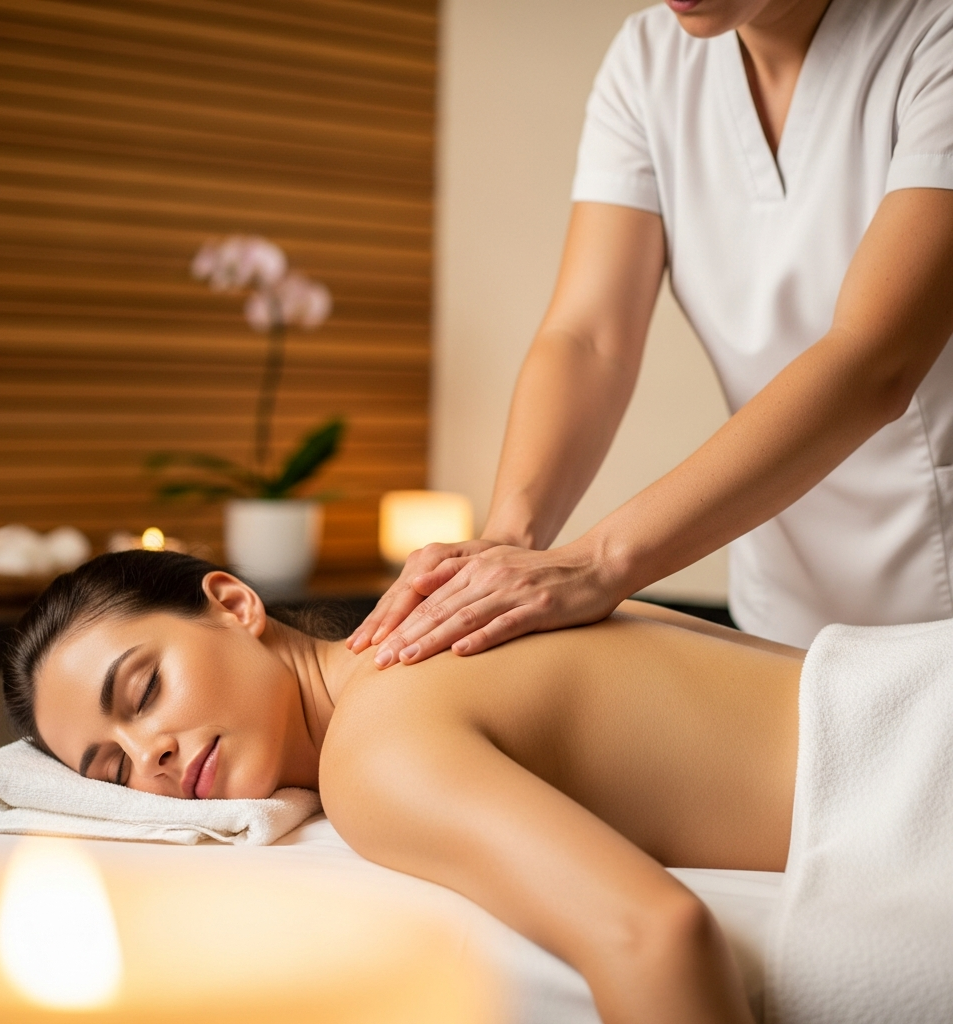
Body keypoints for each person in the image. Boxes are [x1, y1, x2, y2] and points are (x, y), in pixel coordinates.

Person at [350, 0, 953, 666]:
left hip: (937, 600)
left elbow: (874, 361)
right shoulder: (648, 60)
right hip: (780, 613)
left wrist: (597, 565)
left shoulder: (934, 36)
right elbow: (589, 337)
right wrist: (509, 537)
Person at [6, 550, 805, 1024]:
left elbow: (655, 934)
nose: (151, 758)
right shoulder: (470, 605)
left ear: (232, 603)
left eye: (143, 692)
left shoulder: (374, 754)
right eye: (112, 770)